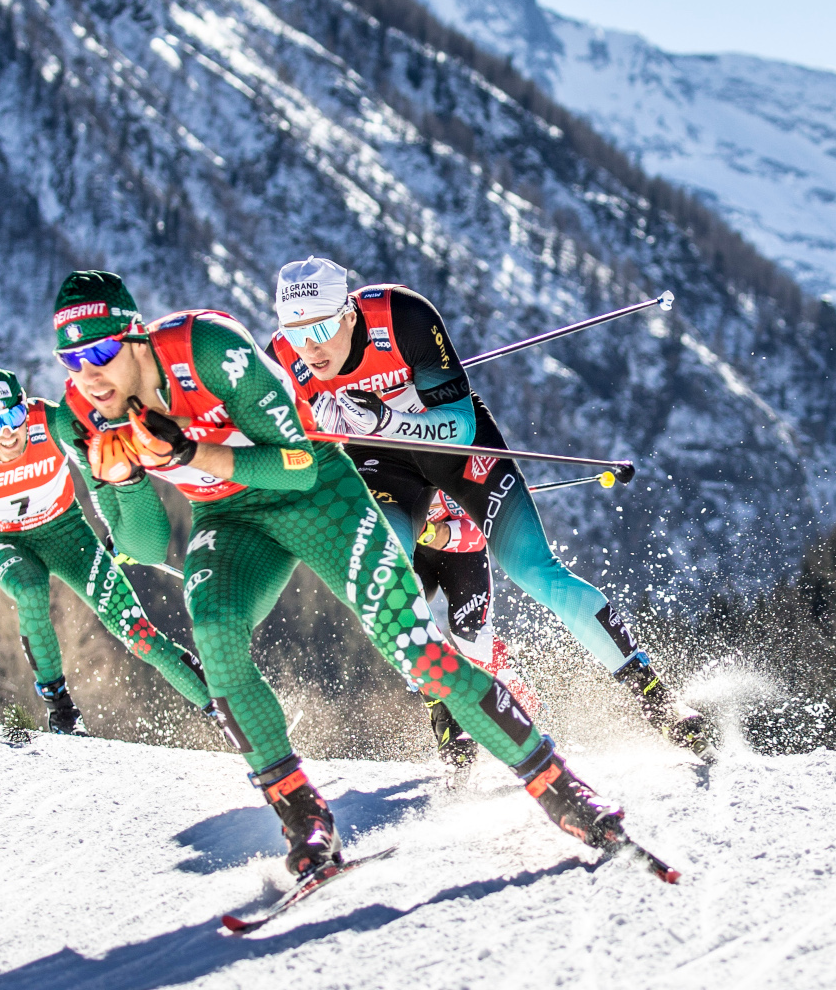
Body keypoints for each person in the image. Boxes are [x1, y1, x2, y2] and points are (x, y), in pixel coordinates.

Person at [50, 270, 638, 880]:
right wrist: (122, 479)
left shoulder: (209, 351)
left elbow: (301, 465)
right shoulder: (82, 417)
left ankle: (560, 787)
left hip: (319, 499)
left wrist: (191, 454)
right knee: (216, 631)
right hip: (229, 518)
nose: (90, 376)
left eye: (101, 352)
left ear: (137, 338)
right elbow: (142, 542)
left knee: (416, 650)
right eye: (72, 360)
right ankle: (305, 818)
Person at [265, 256, 711, 757]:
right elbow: (272, 454)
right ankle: (445, 703)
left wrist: (383, 419)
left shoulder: (403, 317)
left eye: (322, 327)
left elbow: (457, 424)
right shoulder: (282, 360)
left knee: (535, 570)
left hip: (456, 447)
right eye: (296, 332)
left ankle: (655, 697)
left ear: (348, 315)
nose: (311, 346)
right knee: (384, 575)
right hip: (382, 466)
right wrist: (308, 431)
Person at [0, 367, 211, 734]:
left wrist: (121, 532)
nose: (7, 431)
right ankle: (61, 710)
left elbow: (104, 461)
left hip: (67, 534)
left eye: (15, 415)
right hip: (5, 542)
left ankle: (222, 705)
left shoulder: (49, 421)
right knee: (30, 590)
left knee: (138, 633)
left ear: (26, 409)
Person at [399, 490, 540, 771]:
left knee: (470, 636)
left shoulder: (442, 457)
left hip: (459, 544)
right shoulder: (378, 458)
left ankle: (526, 715)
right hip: (409, 549)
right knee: (412, 630)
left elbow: (477, 532)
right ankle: (452, 736)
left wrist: (432, 533)